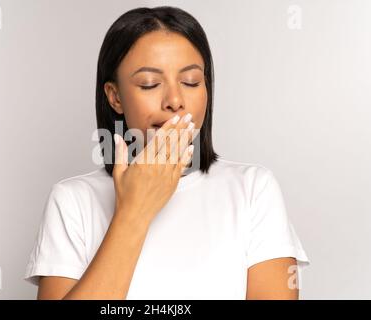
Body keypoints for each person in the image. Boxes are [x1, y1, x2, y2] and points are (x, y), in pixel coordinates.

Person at [24, 6, 310, 300]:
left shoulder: (253, 189)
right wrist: (134, 212)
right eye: (150, 84)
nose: (175, 100)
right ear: (115, 97)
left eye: (191, 82)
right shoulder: (72, 200)